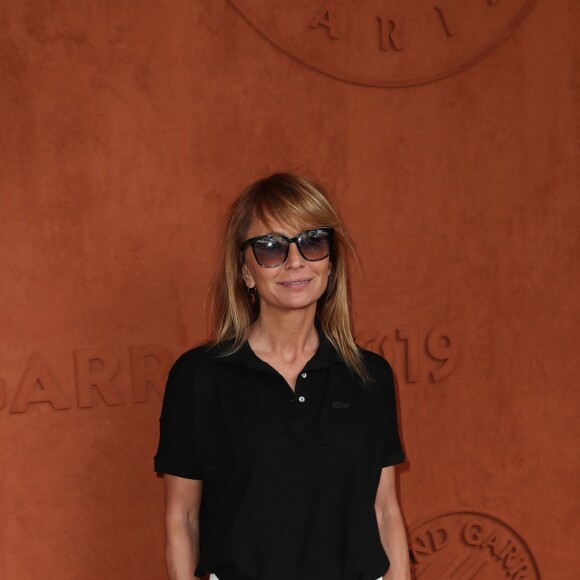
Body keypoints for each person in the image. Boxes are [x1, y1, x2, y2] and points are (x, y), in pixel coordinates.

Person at [154, 173, 411, 580]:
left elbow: (384, 511)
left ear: (330, 263)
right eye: (270, 247)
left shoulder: (369, 376)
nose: (295, 261)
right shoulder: (198, 379)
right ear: (245, 270)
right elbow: (182, 518)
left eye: (312, 241)